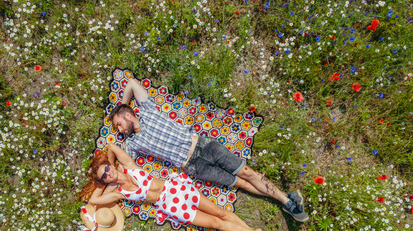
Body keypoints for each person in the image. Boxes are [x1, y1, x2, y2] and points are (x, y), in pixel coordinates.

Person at [108, 78, 309, 222]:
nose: (120, 130)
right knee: (240, 183)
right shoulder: (132, 144)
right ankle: (287, 201)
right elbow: (123, 167)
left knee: (247, 172)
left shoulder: (148, 111)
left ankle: (286, 201)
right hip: (194, 167)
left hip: (205, 146)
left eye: (119, 124)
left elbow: (132, 83)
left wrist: (121, 107)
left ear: (127, 115)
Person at [79, 143, 275, 231]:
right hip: (173, 207)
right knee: (216, 223)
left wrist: (111, 163)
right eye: (104, 177)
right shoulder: (119, 194)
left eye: (106, 170)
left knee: (221, 212)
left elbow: (112, 147)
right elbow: (94, 200)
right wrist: (100, 182)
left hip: (178, 189)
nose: (108, 174)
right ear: (104, 182)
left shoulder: (129, 166)